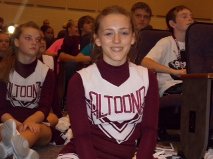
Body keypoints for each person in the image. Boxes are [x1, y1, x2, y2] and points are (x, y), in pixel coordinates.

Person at [57, 5, 159, 159]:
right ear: (97, 39)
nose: (117, 40)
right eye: (109, 33)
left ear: (133, 38)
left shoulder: (147, 77)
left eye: (124, 33)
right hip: (83, 154)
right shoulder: (80, 80)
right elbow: (82, 136)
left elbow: (149, 130)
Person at [0, 21, 63, 159]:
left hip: (37, 122)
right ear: (16, 42)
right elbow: (1, 107)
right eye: (28, 38)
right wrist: (12, 123)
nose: (34, 42)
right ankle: (17, 150)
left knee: (35, 130)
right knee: (5, 129)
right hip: (9, 121)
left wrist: (30, 121)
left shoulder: (47, 72)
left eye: (38, 39)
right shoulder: (3, 69)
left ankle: (8, 148)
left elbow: (45, 107)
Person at [141, 5, 194, 97]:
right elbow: (145, 62)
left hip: (192, 85)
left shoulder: (195, 45)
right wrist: (175, 72)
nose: (190, 19)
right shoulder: (166, 42)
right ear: (173, 24)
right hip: (170, 86)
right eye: (184, 16)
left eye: (191, 17)